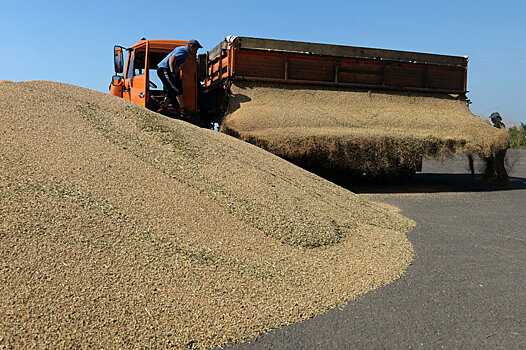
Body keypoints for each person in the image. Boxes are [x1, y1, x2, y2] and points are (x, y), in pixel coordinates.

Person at [157, 39, 202, 118]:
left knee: (171, 90)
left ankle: (163, 108)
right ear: (191, 46)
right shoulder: (184, 51)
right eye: (196, 49)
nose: (196, 51)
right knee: (177, 89)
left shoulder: (183, 50)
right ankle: (183, 110)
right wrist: (172, 72)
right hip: (164, 69)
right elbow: (171, 59)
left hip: (165, 70)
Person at [483, 112, 509, 183]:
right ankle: (502, 177)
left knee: (499, 163)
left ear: (497, 118)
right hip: (501, 146)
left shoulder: (499, 125)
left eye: (493, 119)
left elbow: (494, 133)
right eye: (491, 119)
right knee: (499, 162)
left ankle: (503, 179)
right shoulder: (500, 125)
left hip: (501, 146)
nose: (492, 120)